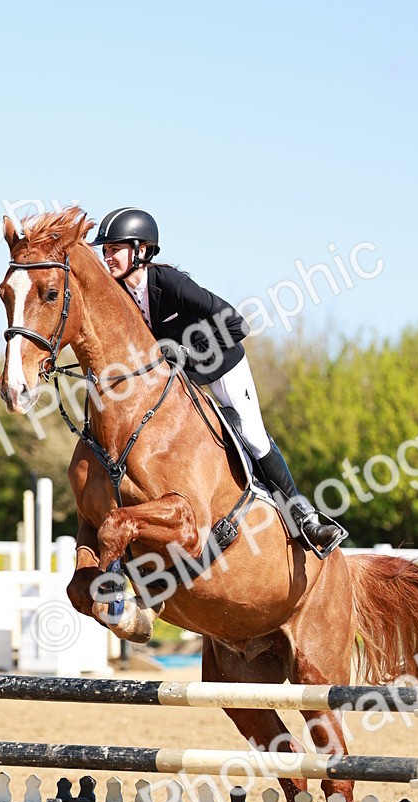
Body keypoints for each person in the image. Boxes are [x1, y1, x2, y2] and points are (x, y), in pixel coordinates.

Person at [91, 207, 348, 556]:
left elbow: (236, 324)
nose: (107, 256)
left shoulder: (170, 283)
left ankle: (304, 517)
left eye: (114, 248)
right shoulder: (120, 294)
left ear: (140, 249)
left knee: (254, 438)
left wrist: (186, 353)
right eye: (105, 250)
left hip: (222, 368)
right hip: (182, 381)